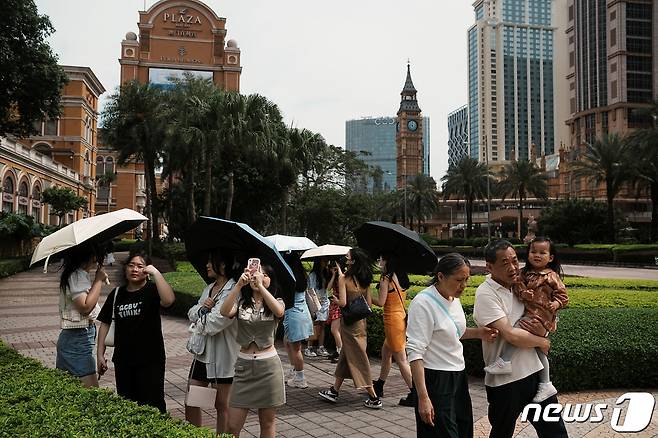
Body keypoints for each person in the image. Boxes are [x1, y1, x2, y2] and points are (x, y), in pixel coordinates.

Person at [473, 240, 568, 438]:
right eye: (505, 263)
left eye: (515, 261)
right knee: (502, 432)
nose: (513, 267)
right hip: (505, 381)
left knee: (555, 433)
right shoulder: (486, 293)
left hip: (534, 374)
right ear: (489, 267)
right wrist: (542, 342)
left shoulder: (521, 285)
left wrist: (545, 330)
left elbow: (543, 315)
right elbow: (509, 334)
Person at [407, 253, 498, 438]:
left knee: (463, 429)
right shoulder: (423, 303)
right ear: (440, 276)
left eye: (466, 280)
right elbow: (415, 353)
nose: (463, 286)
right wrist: (423, 397)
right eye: (459, 280)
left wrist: (479, 333)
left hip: (458, 375)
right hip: (435, 379)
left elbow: (454, 332)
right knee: (442, 433)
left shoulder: (453, 298)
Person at [96, 250, 175, 413]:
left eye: (140, 266)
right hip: (124, 360)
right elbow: (104, 323)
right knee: (128, 404)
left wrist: (156, 273)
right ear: (125, 269)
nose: (135, 269)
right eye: (131, 265)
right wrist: (99, 354)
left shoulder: (152, 291)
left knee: (153, 403)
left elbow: (168, 300)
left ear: (146, 271)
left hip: (150, 360)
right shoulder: (117, 294)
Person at [220, 263, 286, 438]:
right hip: (243, 367)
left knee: (267, 423)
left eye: (261, 274)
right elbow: (224, 311)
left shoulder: (276, 301)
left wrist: (263, 289)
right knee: (232, 426)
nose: (255, 276)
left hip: (269, 368)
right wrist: (238, 285)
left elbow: (279, 312)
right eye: (253, 273)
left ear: (268, 279)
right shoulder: (242, 302)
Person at [318, 248, 382, 409]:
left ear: (353, 261)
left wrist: (335, 299)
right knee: (347, 355)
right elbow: (369, 304)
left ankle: (374, 397)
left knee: (359, 358)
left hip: (349, 323)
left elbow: (343, 303)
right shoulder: (365, 278)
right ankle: (334, 391)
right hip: (361, 323)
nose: (345, 259)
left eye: (348, 257)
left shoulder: (343, 278)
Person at [185, 249, 240, 433]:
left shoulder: (234, 290)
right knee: (192, 400)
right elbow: (191, 312)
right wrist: (202, 310)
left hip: (224, 357)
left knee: (222, 406)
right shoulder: (209, 288)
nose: (207, 265)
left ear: (223, 265)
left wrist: (202, 315)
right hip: (203, 355)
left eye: (211, 261)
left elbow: (216, 323)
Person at [57, 243, 107, 388]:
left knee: (73, 390)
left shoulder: (77, 274)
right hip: (76, 339)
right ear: (91, 257)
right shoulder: (76, 275)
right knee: (91, 392)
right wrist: (98, 280)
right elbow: (85, 307)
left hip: (77, 338)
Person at [372, 253, 415, 407]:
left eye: (381, 258)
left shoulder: (386, 279)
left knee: (402, 360)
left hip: (392, 321)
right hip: (401, 318)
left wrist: (367, 297)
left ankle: (415, 392)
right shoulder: (400, 276)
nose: (379, 261)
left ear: (388, 261)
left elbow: (381, 302)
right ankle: (380, 385)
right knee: (386, 353)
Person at [281, 252, 314, 388]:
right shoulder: (302, 275)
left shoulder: (289, 277)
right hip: (302, 312)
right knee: (287, 342)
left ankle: (300, 378)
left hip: (293, 314)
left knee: (296, 348)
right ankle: (294, 370)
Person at [305, 258, 331, 358]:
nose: (326, 262)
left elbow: (328, 288)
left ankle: (321, 346)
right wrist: (315, 303)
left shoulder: (325, 273)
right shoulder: (312, 275)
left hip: (324, 302)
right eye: (324, 260)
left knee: (323, 325)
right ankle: (309, 347)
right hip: (316, 303)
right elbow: (310, 290)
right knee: (314, 325)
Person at [325, 260, 343, 363]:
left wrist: (339, 272)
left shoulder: (343, 277)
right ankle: (338, 350)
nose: (333, 270)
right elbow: (328, 288)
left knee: (334, 330)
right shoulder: (335, 277)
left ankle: (340, 352)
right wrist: (333, 275)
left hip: (339, 305)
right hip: (334, 304)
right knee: (337, 331)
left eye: (335, 268)